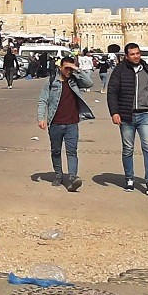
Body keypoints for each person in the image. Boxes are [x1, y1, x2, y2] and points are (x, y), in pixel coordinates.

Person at [107, 43, 148, 196]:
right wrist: (114, 112)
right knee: (128, 148)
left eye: (137, 53)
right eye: (132, 54)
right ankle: (129, 178)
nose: (136, 56)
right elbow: (112, 92)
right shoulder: (120, 71)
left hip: (145, 114)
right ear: (127, 56)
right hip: (126, 115)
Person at [36, 55, 95, 192]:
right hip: (55, 123)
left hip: (71, 123)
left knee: (72, 151)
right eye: (66, 68)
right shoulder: (52, 81)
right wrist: (41, 118)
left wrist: (77, 69)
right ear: (60, 67)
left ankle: (72, 178)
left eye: (71, 68)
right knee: (56, 151)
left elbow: (89, 83)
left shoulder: (75, 80)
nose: (69, 71)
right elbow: (43, 100)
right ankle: (58, 175)